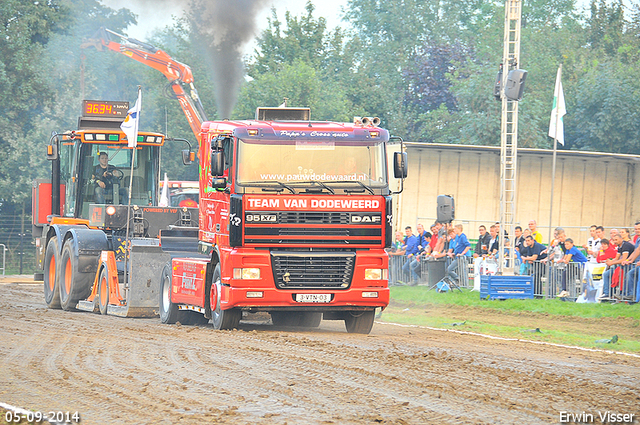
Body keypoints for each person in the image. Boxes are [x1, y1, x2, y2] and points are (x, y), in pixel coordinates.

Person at [599, 233, 635, 300]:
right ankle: (607, 293)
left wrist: (612, 263)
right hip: (622, 265)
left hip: (629, 265)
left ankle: (623, 294)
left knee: (623, 276)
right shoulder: (619, 246)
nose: (615, 241)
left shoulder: (625, 245)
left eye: (616, 240)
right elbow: (617, 258)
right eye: (614, 240)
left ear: (621, 239)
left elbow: (624, 259)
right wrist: (610, 261)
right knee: (606, 274)